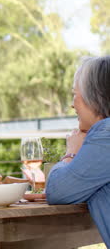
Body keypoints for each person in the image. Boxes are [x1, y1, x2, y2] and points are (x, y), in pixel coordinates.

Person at [46, 56, 110, 247]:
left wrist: (71, 153)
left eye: (75, 94)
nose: (73, 104)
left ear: (95, 95)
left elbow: (58, 191)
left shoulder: (105, 133)